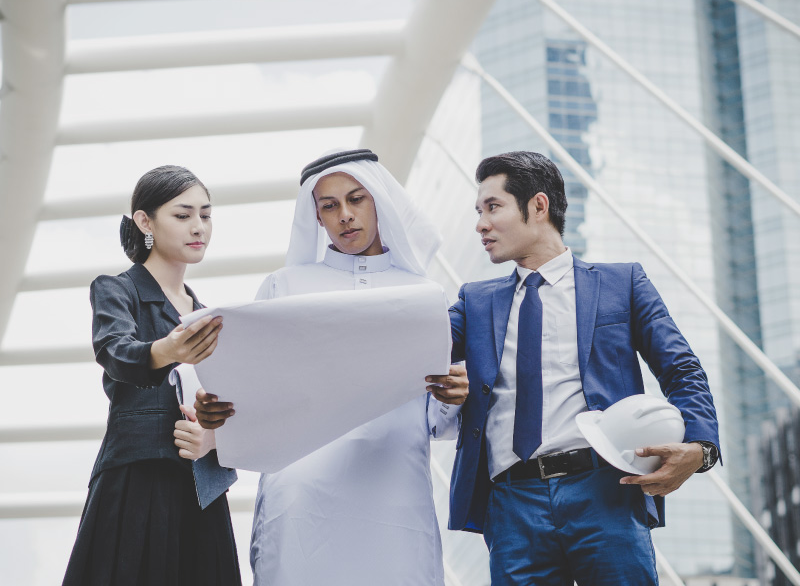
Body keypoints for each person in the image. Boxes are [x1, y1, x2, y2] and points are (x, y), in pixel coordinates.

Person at [194, 149, 468, 586]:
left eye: (356, 199)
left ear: (379, 202)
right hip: (301, 497)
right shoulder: (285, 286)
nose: (345, 215)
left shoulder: (423, 293)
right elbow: (251, 388)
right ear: (317, 219)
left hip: (395, 491)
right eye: (329, 206)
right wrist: (216, 407)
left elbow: (438, 421)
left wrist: (455, 395)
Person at [447, 151, 721, 585]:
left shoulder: (622, 283)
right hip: (511, 503)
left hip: (606, 490)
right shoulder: (475, 302)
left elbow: (682, 369)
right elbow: (417, 345)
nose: (480, 224)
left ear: (538, 206)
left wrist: (702, 448)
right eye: (478, 211)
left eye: (492, 207)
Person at [62, 166, 241, 586]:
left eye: (205, 215)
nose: (199, 227)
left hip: (201, 486)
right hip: (139, 478)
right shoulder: (117, 289)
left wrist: (214, 437)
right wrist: (168, 349)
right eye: (183, 215)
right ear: (145, 221)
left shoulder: (207, 313)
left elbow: (231, 403)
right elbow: (115, 352)